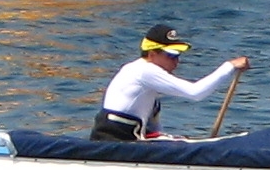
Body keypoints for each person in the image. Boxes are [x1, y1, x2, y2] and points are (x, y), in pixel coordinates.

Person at [93, 25, 249, 142]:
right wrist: (229, 66)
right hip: (113, 140)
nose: (176, 61)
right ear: (152, 54)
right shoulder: (144, 70)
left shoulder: (140, 72)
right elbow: (195, 93)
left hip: (126, 137)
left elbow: (153, 128)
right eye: (171, 56)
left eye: (178, 55)